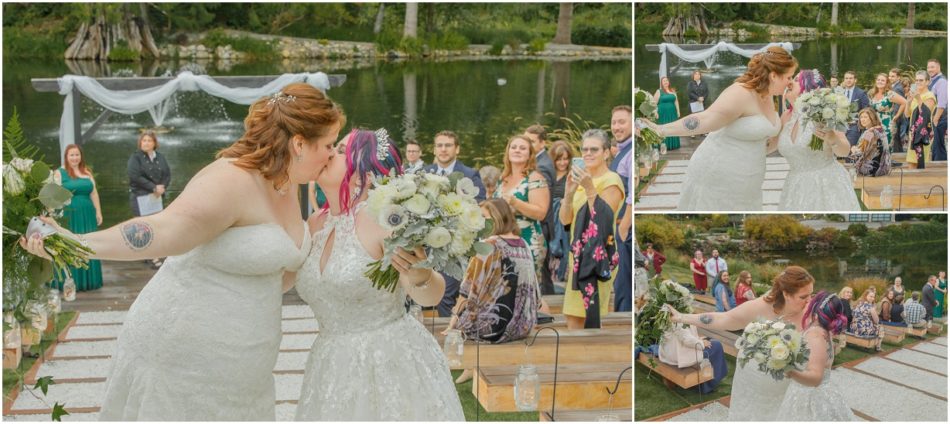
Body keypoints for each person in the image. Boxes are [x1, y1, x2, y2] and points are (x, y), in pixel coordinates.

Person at [22, 83, 345, 420]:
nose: (333, 154)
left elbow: (275, 272)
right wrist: (73, 246)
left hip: (246, 371)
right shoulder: (231, 180)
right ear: (298, 144)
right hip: (187, 358)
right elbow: (159, 231)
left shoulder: (288, 182)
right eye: (328, 144)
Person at [293, 128, 464, 420]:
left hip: (386, 359)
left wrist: (420, 275)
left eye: (339, 150)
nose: (329, 153)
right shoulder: (314, 223)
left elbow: (431, 293)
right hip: (329, 362)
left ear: (363, 174)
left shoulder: (382, 220)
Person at [644, 46, 796, 211]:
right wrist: (661, 130)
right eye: (789, 77)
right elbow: (705, 119)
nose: (791, 82)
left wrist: (786, 121)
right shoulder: (741, 93)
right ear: (774, 76)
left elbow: (762, 146)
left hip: (749, 182)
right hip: (720, 176)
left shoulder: (769, 96)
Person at [667, 266, 815, 421]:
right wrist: (682, 317)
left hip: (793, 383)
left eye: (811, 294)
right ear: (786, 294)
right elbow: (723, 319)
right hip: (759, 382)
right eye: (804, 296)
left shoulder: (810, 310)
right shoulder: (761, 306)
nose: (809, 301)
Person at [444, 198, 540, 384]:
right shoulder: (524, 244)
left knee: (466, 316)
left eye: (484, 217)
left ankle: (471, 366)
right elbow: (535, 292)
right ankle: (472, 368)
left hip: (496, 329)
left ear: (497, 218)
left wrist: (452, 324)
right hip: (524, 324)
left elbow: (468, 290)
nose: (480, 222)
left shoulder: (489, 244)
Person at [559, 129, 624, 329]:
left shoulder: (612, 181)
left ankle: (590, 357)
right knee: (573, 318)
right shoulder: (581, 180)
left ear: (606, 153)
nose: (588, 153)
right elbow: (565, 221)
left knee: (585, 317)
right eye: (584, 149)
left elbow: (603, 220)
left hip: (597, 257)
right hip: (577, 257)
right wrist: (569, 194)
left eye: (594, 149)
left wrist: (589, 189)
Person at [778, 69, 861, 211]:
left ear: (809, 89)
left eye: (797, 80)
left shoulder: (822, 114)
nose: (790, 82)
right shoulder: (786, 117)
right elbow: (769, 144)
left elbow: (844, 151)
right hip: (795, 185)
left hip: (826, 183)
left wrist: (832, 138)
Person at [425, 130, 487, 317]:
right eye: (439, 145)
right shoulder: (425, 173)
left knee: (446, 295)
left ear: (457, 149)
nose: (443, 149)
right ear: (434, 149)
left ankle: (451, 338)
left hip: (455, 247)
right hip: (427, 246)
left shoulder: (469, 174)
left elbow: (480, 205)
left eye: (448, 145)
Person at [776, 291, 858, 421]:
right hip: (812, 391)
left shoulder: (815, 336)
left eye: (812, 299)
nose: (808, 300)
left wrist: (789, 371)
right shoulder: (820, 330)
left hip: (810, 397)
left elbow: (815, 378)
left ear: (815, 308)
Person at [494, 134, 550, 280]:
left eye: (522, 148)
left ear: (530, 154)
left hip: (527, 240)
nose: (517, 150)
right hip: (503, 241)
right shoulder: (503, 178)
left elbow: (541, 213)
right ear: (508, 152)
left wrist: (515, 202)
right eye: (514, 147)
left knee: (528, 289)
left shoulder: (535, 178)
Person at [50, 144, 103, 292]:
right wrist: (52, 213)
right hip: (69, 214)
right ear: (66, 157)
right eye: (71, 155)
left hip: (87, 215)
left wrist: (98, 212)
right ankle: (66, 282)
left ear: (81, 156)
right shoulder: (59, 173)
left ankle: (89, 280)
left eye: (77, 155)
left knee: (88, 244)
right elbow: (53, 194)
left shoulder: (87, 173)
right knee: (69, 244)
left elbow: (94, 193)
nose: (74, 158)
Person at [657, 282, 727, 395]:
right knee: (716, 346)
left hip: (668, 352)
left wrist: (699, 338)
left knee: (710, 341)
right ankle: (708, 385)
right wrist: (700, 343)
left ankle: (707, 381)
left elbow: (680, 335)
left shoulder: (664, 311)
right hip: (678, 355)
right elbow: (685, 339)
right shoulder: (676, 316)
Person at [127, 131, 171, 268]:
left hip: (156, 197)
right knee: (143, 227)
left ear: (154, 143)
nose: (146, 143)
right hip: (141, 196)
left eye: (149, 140)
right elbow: (134, 176)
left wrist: (162, 187)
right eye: (143, 140)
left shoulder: (160, 157)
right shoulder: (135, 158)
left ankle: (151, 253)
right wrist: (153, 187)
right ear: (140, 143)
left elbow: (167, 174)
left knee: (156, 226)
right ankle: (151, 256)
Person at [524, 124, 557, 295]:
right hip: (542, 223)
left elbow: (542, 201)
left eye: (531, 141)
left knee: (541, 272)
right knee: (543, 271)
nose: (527, 144)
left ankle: (546, 301)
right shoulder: (540, 161)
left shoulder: (542, 166)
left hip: (541, 224)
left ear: (542, 143)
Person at [609, 105, 633, 313]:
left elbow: (632, 191)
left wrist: (624, 226)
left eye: (622, 122)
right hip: (618, 225)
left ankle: (624, 322)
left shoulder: (630, 152)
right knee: (620, 280)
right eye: (614, 122)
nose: (617, 127)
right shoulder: (623, 150)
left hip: (623, 227)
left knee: (623, 282)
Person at [906, 71, 937, 169]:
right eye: (916, 80)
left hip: (923, 133)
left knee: (920, 161)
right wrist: (908, 102)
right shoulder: (915, 95)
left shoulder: (930, 96)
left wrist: (918, 98)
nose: (918, 82)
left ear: (927, 82)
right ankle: (910, 184)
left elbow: (925, 113)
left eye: (921, 80)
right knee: (911, 162)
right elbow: (907, 115)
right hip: (913, 133)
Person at [868, 73, 907, 151]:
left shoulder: (889, 94)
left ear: (887, 83)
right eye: (878, 80)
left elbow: (904, 102)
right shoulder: (872, 93)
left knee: (885, 149)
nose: (880, 82)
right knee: (874, 148)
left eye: (883, 80)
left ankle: (886, 163)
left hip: (886, 125)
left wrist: (896, 116)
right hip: (874, 124)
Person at [851, 108, 891, 177]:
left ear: (872, 118)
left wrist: (853, 149)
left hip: (872, 169)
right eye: (861, 117)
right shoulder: (880, 129)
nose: (862, 120)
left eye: (865, 117)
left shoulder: (869, 132)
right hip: (885, 167)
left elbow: (860, 153)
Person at [842, 70, 872, 146]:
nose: (848, 80)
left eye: (851, 78)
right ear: (844, 80)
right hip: (840, 126)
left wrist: (859, 122)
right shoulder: (840, 93)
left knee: (850, 147)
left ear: (855, 80)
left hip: (854, 126)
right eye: (846, 78)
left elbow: (866, 110)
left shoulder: (861, 93)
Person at [926, 59, 947, 161]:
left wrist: (935, 119)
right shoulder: (931, 81)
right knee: (935, 145)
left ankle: (940, 169)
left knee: (938, 145)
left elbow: (942, 103)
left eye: (932, 67)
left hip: (940, 118)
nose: (930, 69)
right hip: (934, 118)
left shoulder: (941, 81)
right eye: (928, 67)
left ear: (938, 67)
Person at [654, 76, 681, 151]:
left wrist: (678, 111)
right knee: (663, 128)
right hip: (662, 113)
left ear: (668, 82)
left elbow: (676, 101)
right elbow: (653, 103)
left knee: (672, 127)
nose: (665, 82)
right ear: (661, 83)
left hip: (672, 113)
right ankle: (662, 145)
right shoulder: (659, 91)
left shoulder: (672, 91)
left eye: (666, 81)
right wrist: (655, 112)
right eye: (664, 81)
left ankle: (672, 144)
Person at [889, 68, 908, 153]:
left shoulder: (897, 88)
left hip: (897, 115)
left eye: (893, 76)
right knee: (897, 138)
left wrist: (895, 116)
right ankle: (899, 152)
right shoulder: (895, 86)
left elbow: (900, 103)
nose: (890, 78)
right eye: (889, 76)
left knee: (895, 137)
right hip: (897, 115)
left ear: (898, 77)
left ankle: (897, 154)